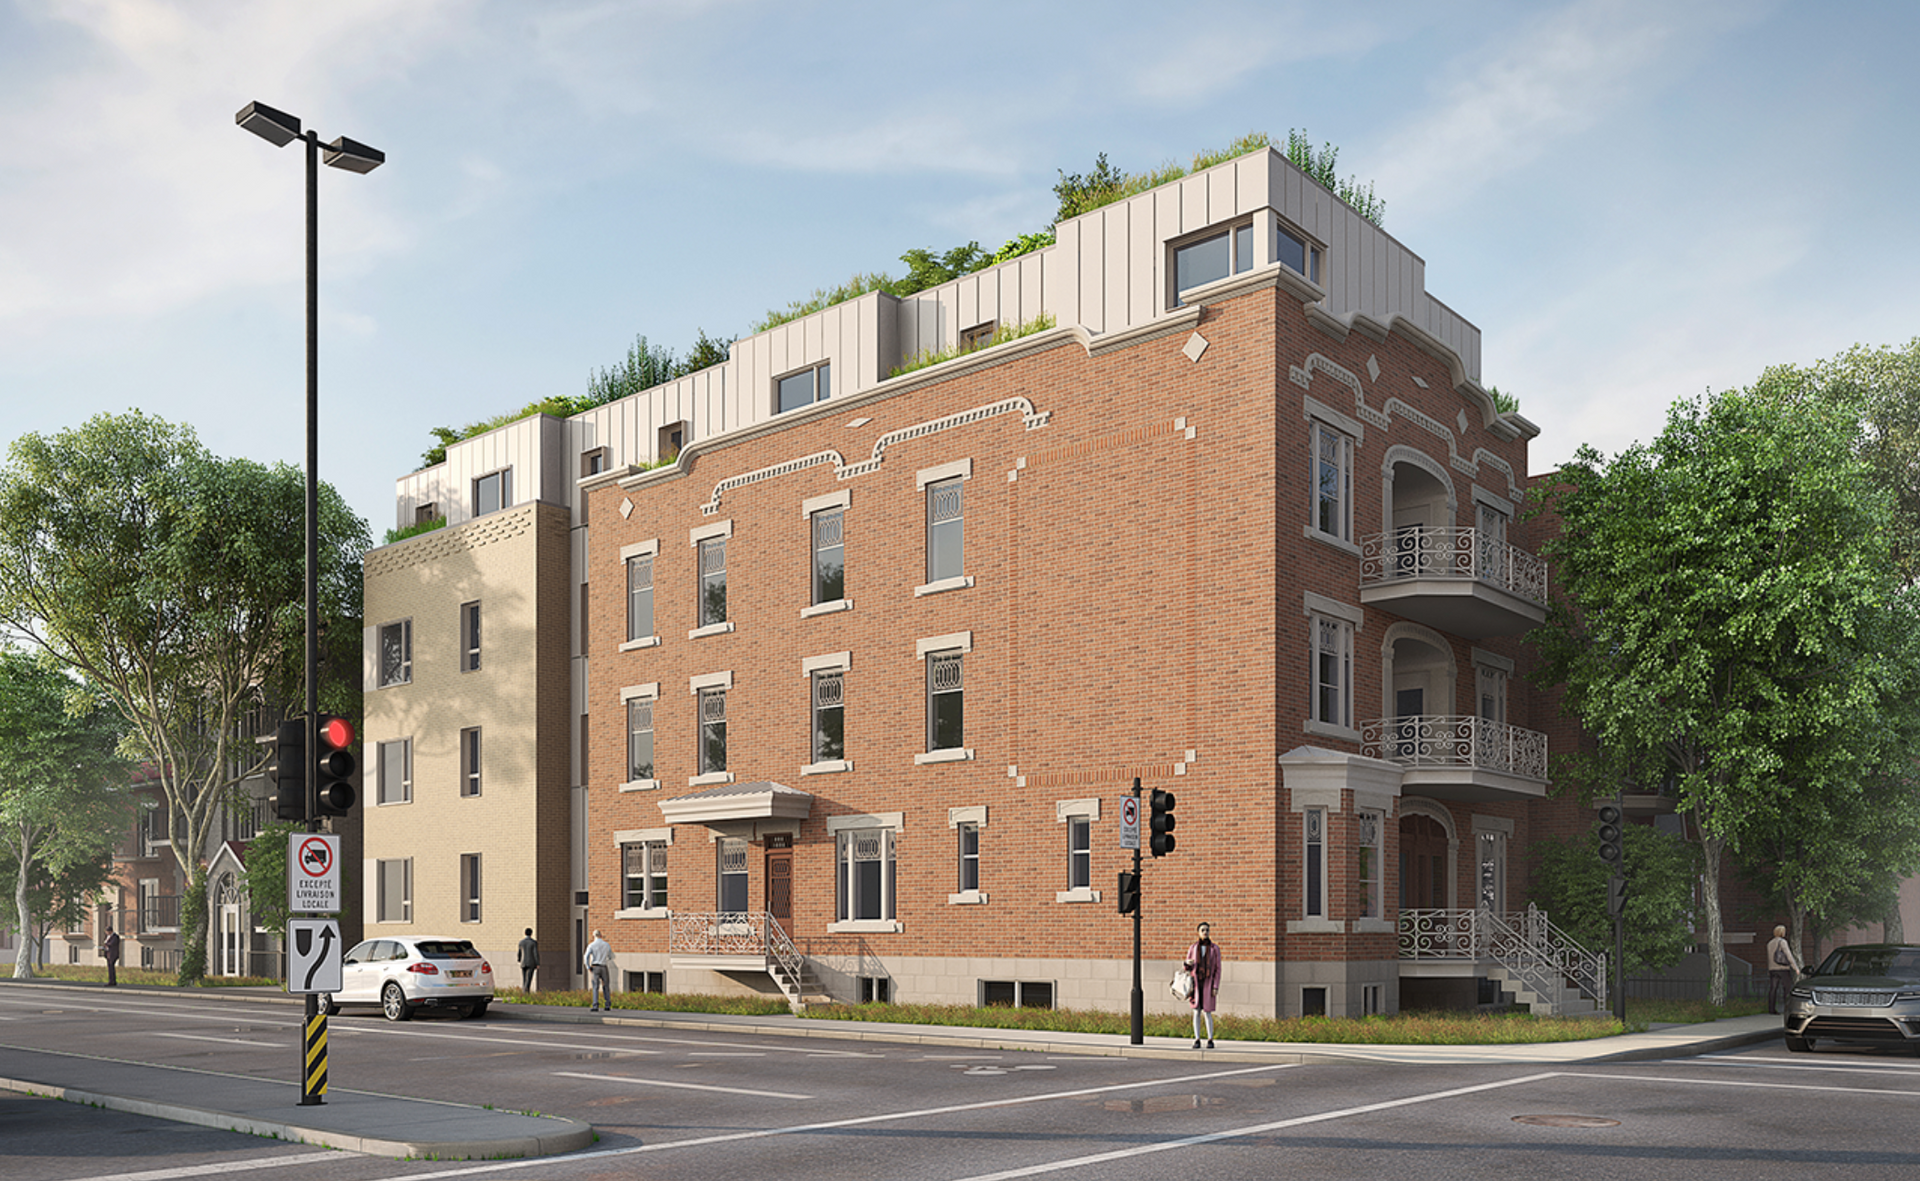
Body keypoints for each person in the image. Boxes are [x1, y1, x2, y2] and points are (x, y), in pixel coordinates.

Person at [1184, 921, 1222, 1049]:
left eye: (1207, 930)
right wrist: (1187, 963)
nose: (1205, 932)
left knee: (1207, 1012)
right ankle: (1197, 1039)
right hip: (1196, 984)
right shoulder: (1193, 948)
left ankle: (1210, 1039)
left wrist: (1215, 986)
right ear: (1198, 932)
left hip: (1208, 984)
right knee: (1196, 1012)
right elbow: (1187, 967)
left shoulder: (1214, 949)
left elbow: (1218, 969)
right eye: (1202, 930)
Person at [1766, 924, 1802, 1015]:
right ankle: (1787, 1008)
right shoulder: (1782, 942)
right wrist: (1795, 967)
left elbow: (1769, 958)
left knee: (1773, 989)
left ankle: (1771, 1009)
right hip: (1783, 968)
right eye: (1784, 931)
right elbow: (1788, 955)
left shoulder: (1769, 943)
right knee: (1787, 988)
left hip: (1772, 969)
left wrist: (1770, 969)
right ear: (1781, 932)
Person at [583, 928, 613, 1012]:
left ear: (593, 936)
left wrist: (588, 966)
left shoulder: (591, 945)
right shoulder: (606, 945)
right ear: (601, 935)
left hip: (595, 966)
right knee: (606, 986)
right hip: (603, 966)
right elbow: (610, 956)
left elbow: (586, 956)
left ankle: (595, 1005)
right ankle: (607, 1005)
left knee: (595, 987)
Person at [517, 927, 540, 993]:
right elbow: (535, 953)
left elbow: (519, 952)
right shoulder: (533, 943)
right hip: (531, 963)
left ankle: (524, 990)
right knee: (529, 978)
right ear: (531, 934)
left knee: (524, 978)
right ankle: (526, 991)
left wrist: (519, 959)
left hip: (523, 962)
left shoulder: (521, 942)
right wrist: (537, 963)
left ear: (525, 933)